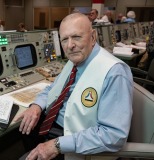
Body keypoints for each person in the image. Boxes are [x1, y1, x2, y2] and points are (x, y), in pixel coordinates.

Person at [15, 12, 133, 160]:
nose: (70, 45)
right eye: (65, 39)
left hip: (76, 141)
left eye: (77, 37)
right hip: (57, 124)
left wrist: (58, 145)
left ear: (93, 36)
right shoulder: (75, 60)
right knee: (23, 126)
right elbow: (53, 89)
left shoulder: (114, 73)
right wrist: (36, 106)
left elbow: (113, 136)